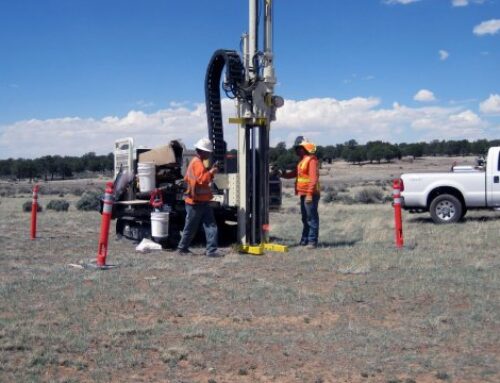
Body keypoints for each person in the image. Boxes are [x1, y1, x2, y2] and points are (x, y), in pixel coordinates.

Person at [177, 138, 223, 257]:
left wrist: (210, 172)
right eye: (207, 152)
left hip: (200, 201)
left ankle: (211, 250)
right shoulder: (197, 163)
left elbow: (199, 178)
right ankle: (182, 248)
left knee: (210, 225)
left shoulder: (196, 162)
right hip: (195, 202)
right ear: (202, 151)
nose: (209, 154)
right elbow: (202, 179)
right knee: (192, 227)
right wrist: (212, 171)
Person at [281, 136, 320, 248]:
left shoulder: (311, 160)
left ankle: (312, 242)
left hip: (310, 194)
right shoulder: (302, 161)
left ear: (303, 148)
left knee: (311, 218)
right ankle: (305, 240)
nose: (296, 151)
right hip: (303, 193)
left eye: (298, 148)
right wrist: (282, 174)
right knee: (305, 218)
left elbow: (313, 179)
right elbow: (295, 174)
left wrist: (309, 195)